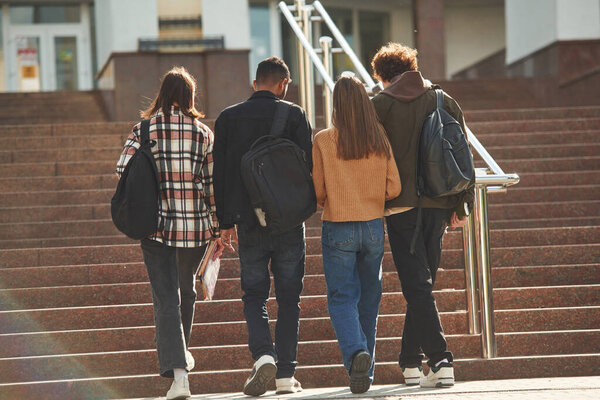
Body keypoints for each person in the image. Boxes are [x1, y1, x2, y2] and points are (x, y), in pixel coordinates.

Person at [116, 67, 227, 400]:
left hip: (156, 225)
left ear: (162, 94)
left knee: (166, 298)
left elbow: (122, 169)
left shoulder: (144, 129)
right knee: (186, 292)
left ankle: (179, 375)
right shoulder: (204, 134)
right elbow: (212, 186)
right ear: (189, 97)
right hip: (194, 227)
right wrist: (218, 229)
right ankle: (180, 361)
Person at [370, 43, 474, 388]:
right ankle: (411, 363)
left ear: (383, 76)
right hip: (440, 202)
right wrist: (462, 203)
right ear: (411, 66)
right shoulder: (443, 99)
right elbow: (462, 152)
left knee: (417, 284)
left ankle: (441, 360)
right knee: (422, 283)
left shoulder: (379, 105)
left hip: (400, 205)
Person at [213, 57, 313, 396]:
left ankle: (263, 356)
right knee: (289, 298)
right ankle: (285, 375)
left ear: (255, 83)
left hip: (247, 221)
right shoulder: (295, 115)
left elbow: (222, 174)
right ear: (283, 84)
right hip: (288, 221)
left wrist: (224, 223)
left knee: (254, 295)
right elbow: (307, 169)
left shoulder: (228, 117)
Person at [312, 75, 401, 394]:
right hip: (374, 226)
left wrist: (333, 199)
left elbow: (318, 191)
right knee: (369, 299)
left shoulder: (323, 139)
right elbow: (395, 187)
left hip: (339, 225)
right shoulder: (379, 137)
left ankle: (356, 354)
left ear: (336, 105)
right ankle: (365, 370)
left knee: (341, 297)